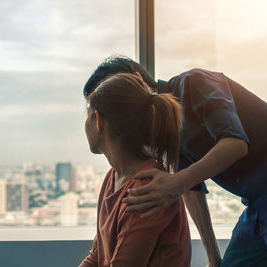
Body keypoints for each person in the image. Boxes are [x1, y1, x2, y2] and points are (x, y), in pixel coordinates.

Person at [83, 56, 267, 267]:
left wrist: (178, 182)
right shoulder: (167, 133)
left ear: (137, 79)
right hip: (258, 205)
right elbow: (192, 189)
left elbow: (235, 143)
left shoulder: (195, 82)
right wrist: (213, 257)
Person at [79, 73, 191, 267]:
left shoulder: (145, 188)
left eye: (87, 115)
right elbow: (97, 255)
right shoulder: (112, 178)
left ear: (98, 120)